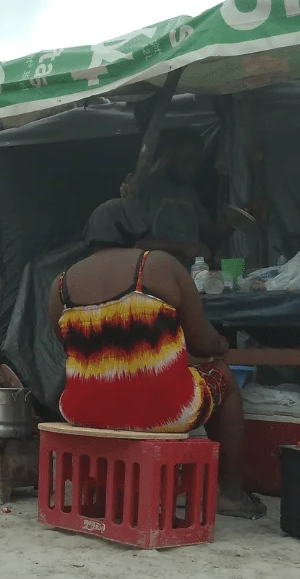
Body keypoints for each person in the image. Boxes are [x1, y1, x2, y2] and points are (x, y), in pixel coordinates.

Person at [47, 199, 265, 519]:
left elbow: (70, 346)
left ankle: (111, 489)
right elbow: (201, 341)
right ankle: (231, 494)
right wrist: (219, 344)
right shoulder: (157, 265)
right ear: (136, 231)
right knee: (224, 377)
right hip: (163, 412)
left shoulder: (60, 285)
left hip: (83, 412)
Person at [122, 130, 236, 263]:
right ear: (169, 155)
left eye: (196, 162)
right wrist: (182, 246)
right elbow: (135, 245)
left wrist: (242, 217)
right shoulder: (143, 189)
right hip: (154, 273)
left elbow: (213, 234)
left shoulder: (188, 191)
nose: (191, 168)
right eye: (186, 160)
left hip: (187, 274)